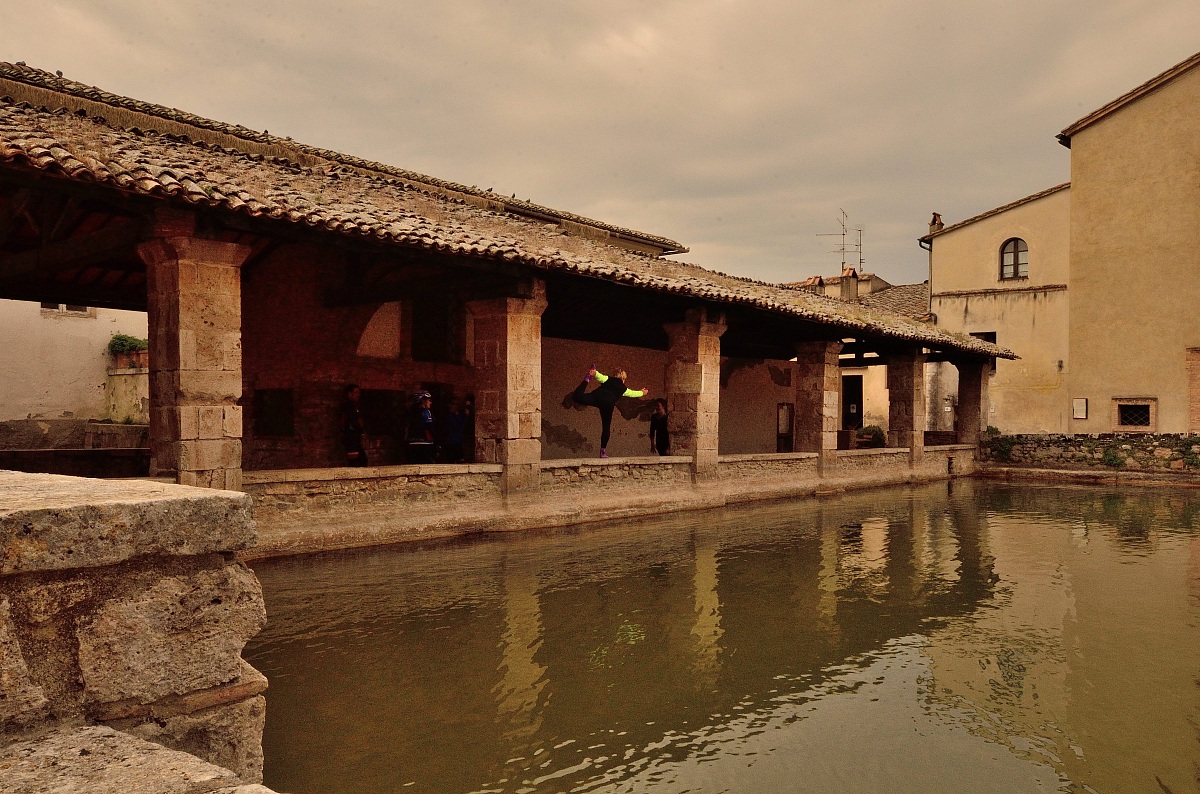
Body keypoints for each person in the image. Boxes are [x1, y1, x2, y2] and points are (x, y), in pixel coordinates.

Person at [571, 366, 650, 458]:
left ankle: (587, 379)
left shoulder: (608, 379)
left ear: (615, 376)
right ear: (623, 379)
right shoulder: (623, 388)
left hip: (597, 397)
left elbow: (600, 376)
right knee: (606, 426)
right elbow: (633, 393)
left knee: (576, 396)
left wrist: (593, 373)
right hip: (608, 404)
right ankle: (603, 451)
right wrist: (642, 392)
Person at [339, 383, 368, 467]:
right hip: (351, 437)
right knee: (355, 462)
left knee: (362, 460)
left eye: (359, 392)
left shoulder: (355, 406)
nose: (358, 395)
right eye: (356, 392)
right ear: (349, 394)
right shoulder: (348, 407)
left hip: (355, 437)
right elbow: (351, 421)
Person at [405, 390, 436, 464]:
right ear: (423, 401)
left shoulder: (409, 412)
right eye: (429, 400)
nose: (430, 402)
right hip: (424, 443)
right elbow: (430, 427)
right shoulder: (426, 412)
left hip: (411, 442)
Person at [442, 399, 466, 463]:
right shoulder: (449, 416)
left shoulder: (457, 415)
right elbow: (458, 426)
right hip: (452, 441)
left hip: (458, 441)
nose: (455, 406)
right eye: (454, 404)